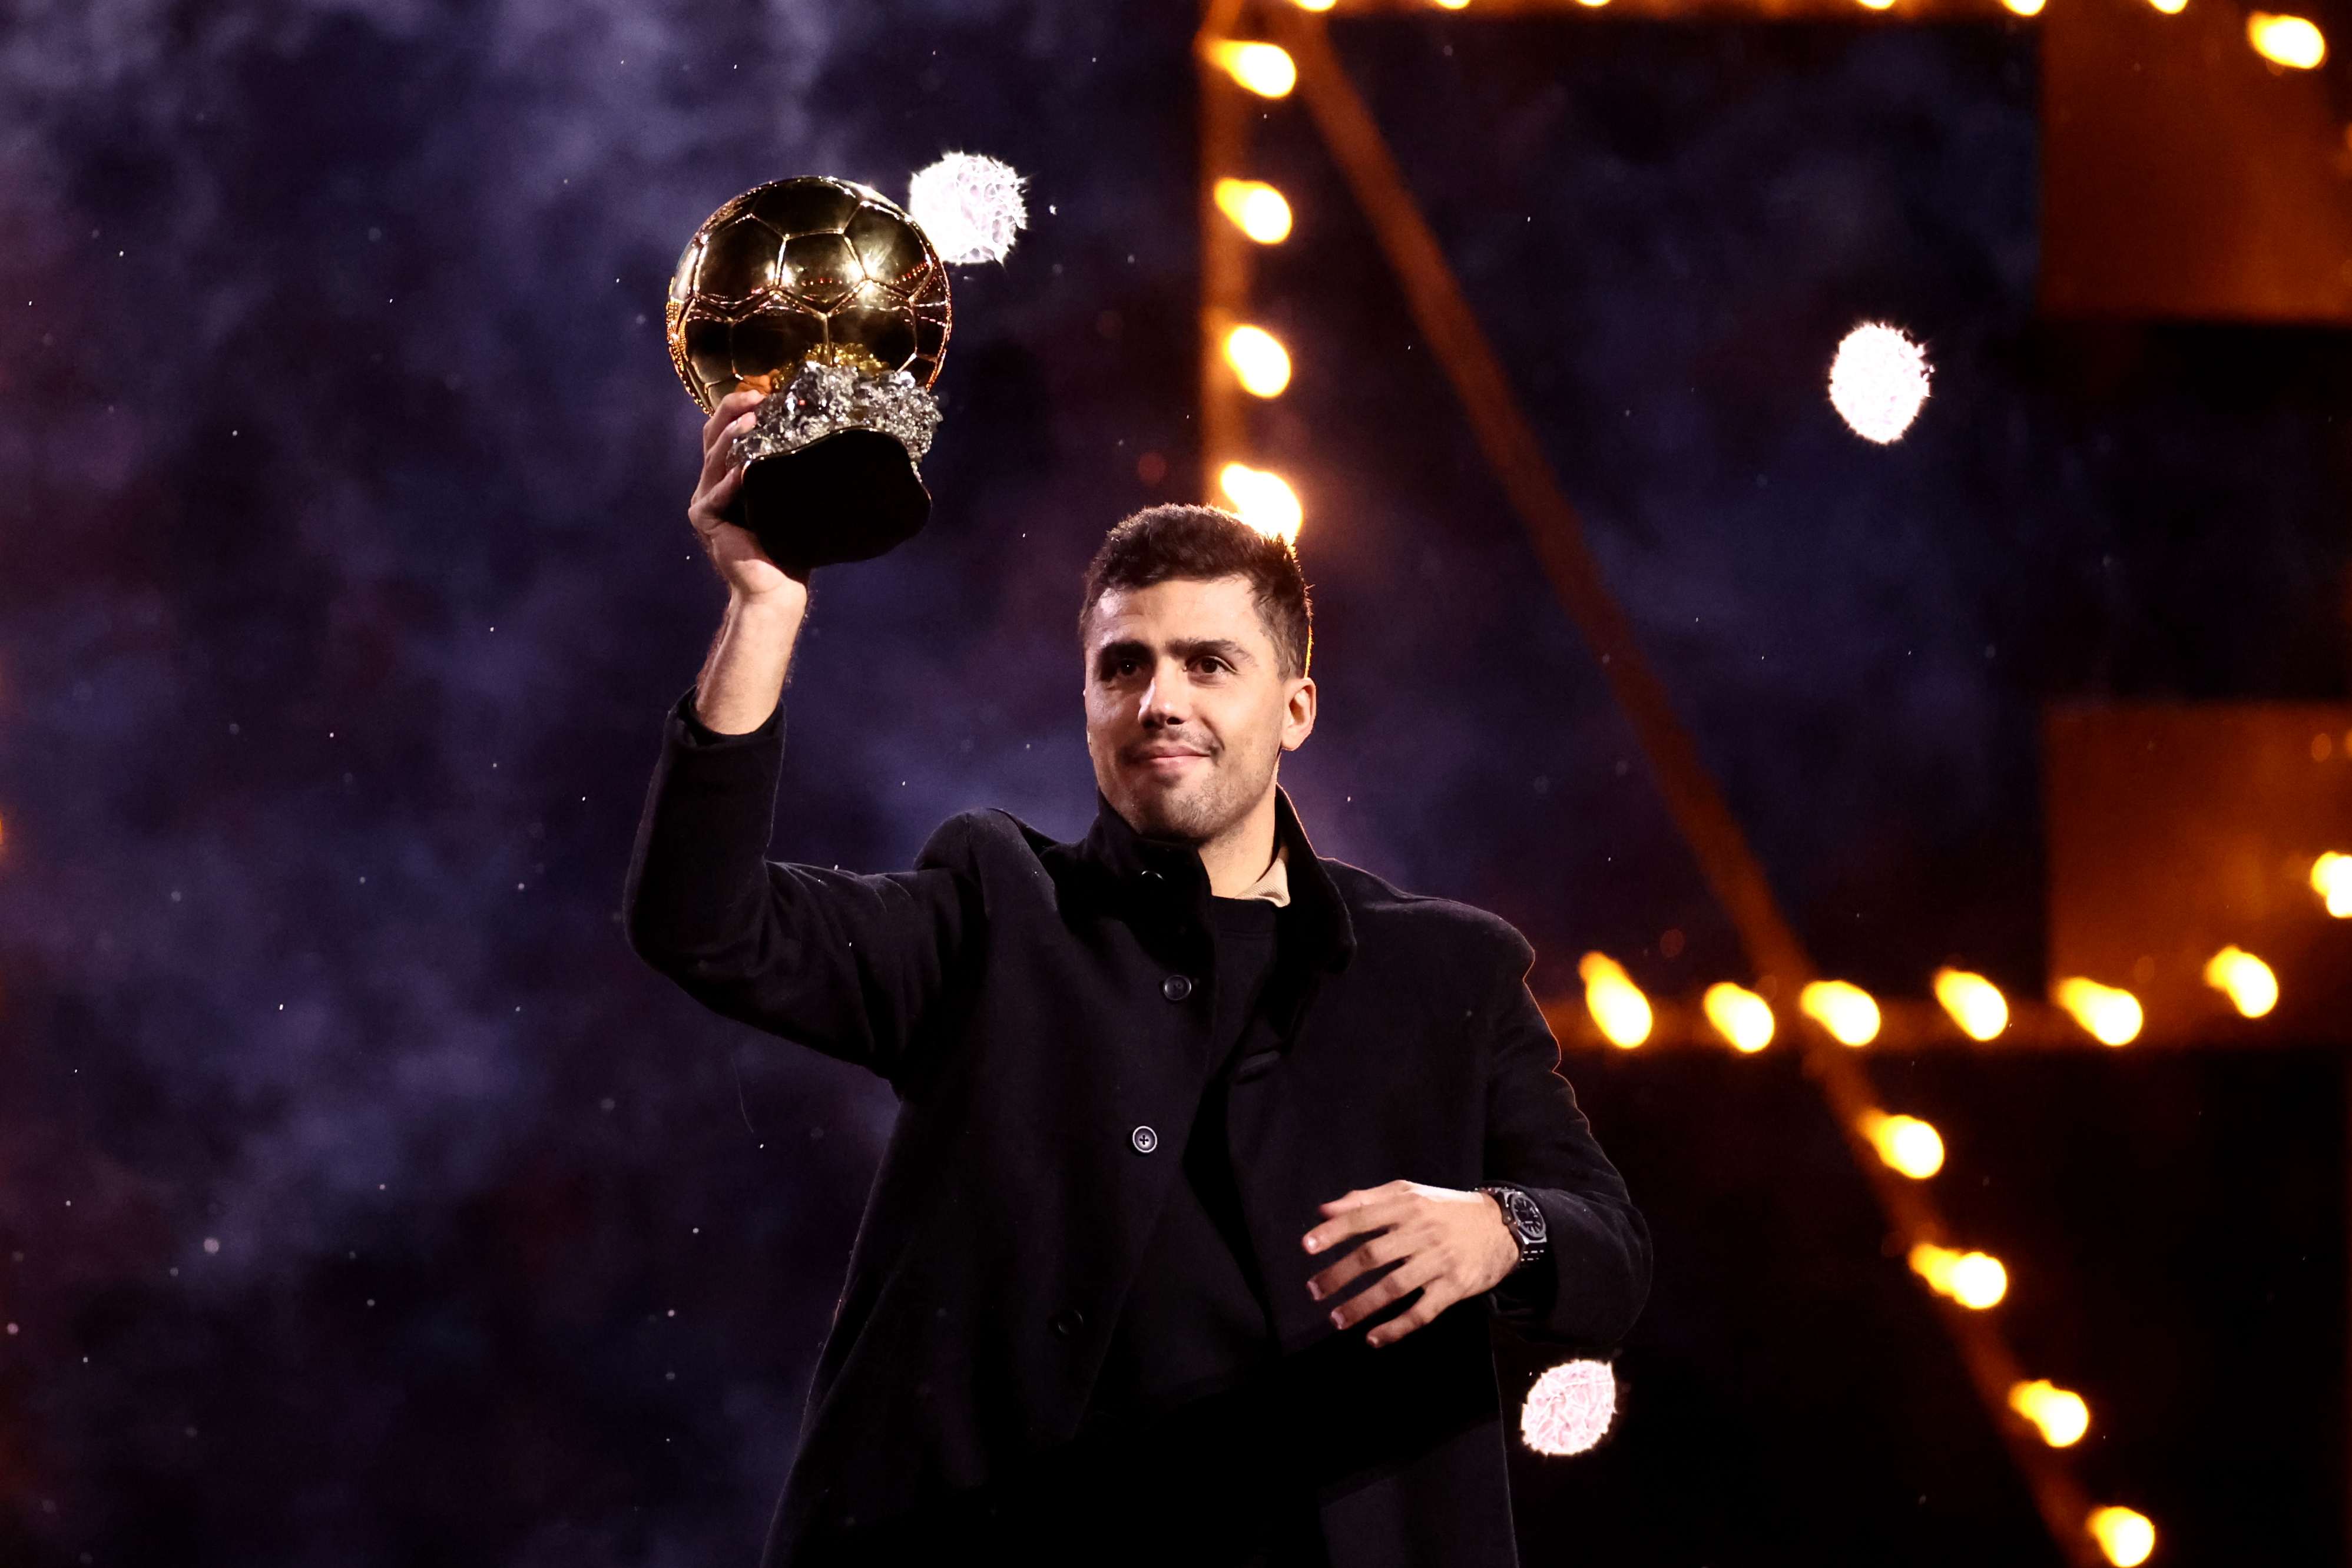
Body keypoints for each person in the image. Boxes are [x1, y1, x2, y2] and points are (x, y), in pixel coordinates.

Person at [625, 390, 1651, 1568]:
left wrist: (1500, 1230)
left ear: (1294, 708)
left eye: (1209, 663)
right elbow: (703, 924)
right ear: (1087, 704)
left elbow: (1610, 1252)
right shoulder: (990, 910)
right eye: (1124, 666)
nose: (1159, 701)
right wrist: (764, 606)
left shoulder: (1448, 972)